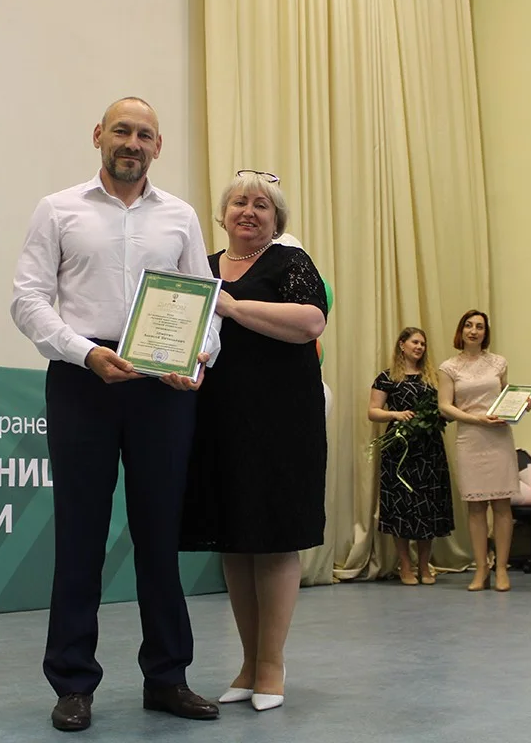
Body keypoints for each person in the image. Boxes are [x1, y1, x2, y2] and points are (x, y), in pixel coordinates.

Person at [10, 97, 221, 732]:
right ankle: (73, 683)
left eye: (145, 134)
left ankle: (168, 677)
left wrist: (201, 355)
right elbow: (27, 299)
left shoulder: (180, 216)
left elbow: (204, 305)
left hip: (162, 386)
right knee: (81, 534)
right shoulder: (58, 209)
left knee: (159, 533)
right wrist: (85, 353)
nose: (132, 142)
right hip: (83, 379)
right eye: (122, 130)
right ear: (99, 135)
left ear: (159, 146)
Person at [180, 169, 328, 712]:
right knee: (235, 539)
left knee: (274, 538)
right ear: (222, 215)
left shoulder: (290, 262)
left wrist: (233, 306)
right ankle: (247, 662)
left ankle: (272, 665)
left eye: (262, 205)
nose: (249, 211)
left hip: (281, 422)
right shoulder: (200, 267)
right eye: (239, 202)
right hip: (216, 419)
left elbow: (310, 321)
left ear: (277, 219)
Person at [437, 310, 529, 592]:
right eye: (468, 325)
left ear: (485, 333)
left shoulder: (498, 363)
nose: (474, 331)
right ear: (461, 330)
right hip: (470, 437)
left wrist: (522, 404)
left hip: (498, 437)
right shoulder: (448, 367)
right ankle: (481, 569)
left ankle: (501, 568)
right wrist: (476, 419)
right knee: (475, 507)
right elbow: (445, 405)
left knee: (501, 504)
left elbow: (507, 397)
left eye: (479, 326)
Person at [368, 327, 455, 585]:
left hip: (430, 450)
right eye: (415, 342)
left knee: (428, 506)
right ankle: (405, 565)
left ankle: (425, 566)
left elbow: (447, 407)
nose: (419, 347)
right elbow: (373, 411)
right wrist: (396, 414)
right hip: (400, 450)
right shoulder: (386, 378)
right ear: (402, 345)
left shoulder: (433, 378)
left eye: (422, 344)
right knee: (401, 506)